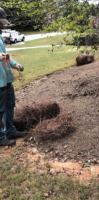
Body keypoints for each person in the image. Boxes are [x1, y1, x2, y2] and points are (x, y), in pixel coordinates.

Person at [0, 7, 27, 146]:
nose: (2, 24)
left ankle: (10, 131)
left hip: (6, 79)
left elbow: (6, 57)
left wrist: (16, 64)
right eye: (0, 22)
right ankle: (0, 138)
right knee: (0, 110)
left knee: (10, 105)